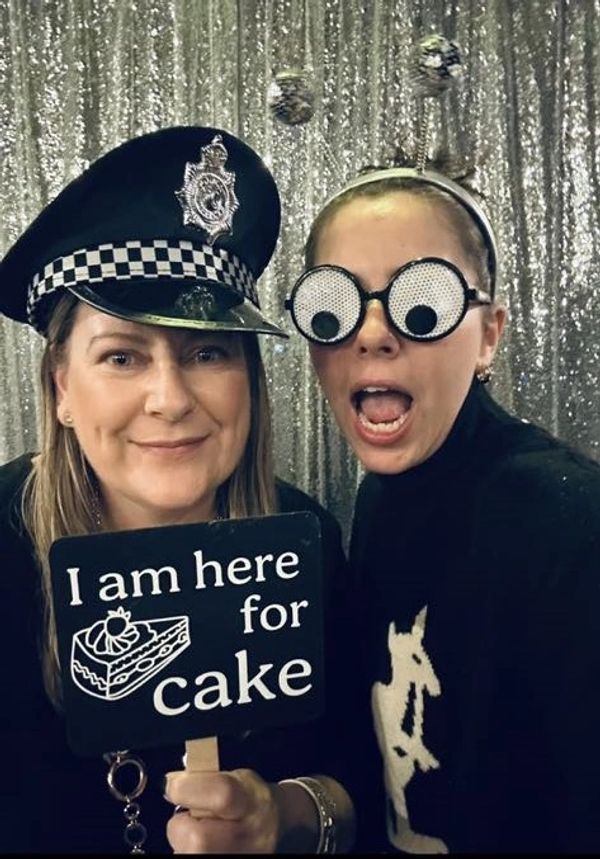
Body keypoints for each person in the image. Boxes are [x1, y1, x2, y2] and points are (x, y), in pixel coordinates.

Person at [0, 126, 355, 853]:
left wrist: (279, 813)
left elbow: (360, 793)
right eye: (123, 355)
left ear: (249, 379)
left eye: (207, 351)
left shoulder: (306, 538)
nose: (170, 398)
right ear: (63, 387)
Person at [286, 161, 600, 853]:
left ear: (489, 334)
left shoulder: (570, 528)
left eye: (420, 300)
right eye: (333, 305)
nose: (371, 333)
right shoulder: (377, 500)